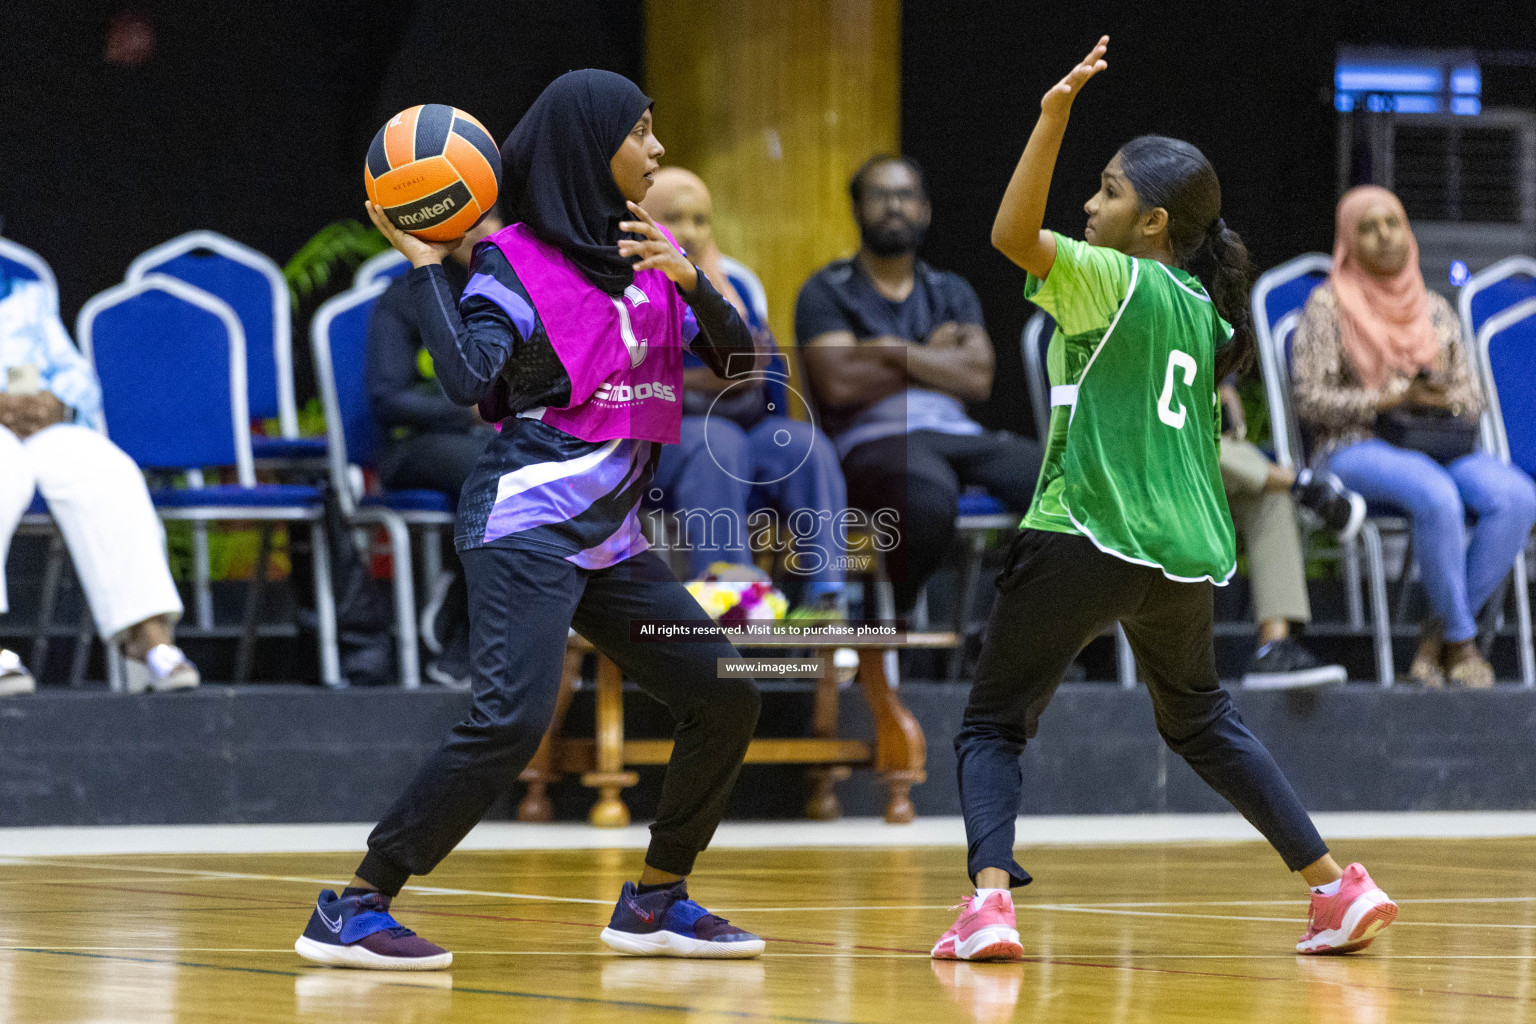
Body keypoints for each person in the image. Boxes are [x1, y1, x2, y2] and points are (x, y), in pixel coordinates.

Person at [932, 38, 1396, 963]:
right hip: (1181, 554)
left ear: (1150, 223)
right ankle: (1337, 886)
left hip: (1083, 529)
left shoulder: (1111, 276)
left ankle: (988, 905)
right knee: (1202, 720)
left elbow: (1009, 236)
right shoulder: (1205, 309)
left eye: (1105, 191)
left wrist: (1052, 118)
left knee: (991, 724)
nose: (1089, 203)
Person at [295, 70, 765, 970]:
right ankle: (354, 905)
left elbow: (742, 363)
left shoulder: (649, 245)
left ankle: (658, 899)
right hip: (528, 521)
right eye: (642, 132)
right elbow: (471, 381)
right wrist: (432, 265)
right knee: (513, 718)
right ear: (593, 146)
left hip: (611, 538)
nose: (658, 151)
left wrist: (694, 281)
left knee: (727, 693)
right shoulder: (511, 261)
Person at [1293, 185, 1536, 690]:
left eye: (1392, 223)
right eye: (1367, 227)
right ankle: (1464, 644)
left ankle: (1436, 636)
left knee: (1515, 497)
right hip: (1352, 446)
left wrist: (1438, 394)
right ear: (1347, 240)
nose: (1383, 236)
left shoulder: (1435, 309)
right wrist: (1383, 399)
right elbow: (1310, 398)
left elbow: (1473, 397)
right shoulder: (1327, 305)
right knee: (1436, 495)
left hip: (1438, 443)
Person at [796, 155, 1042, 613]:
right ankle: (905, 614)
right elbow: (839, 385)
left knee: (1060, 482)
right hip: (873, 441)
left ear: (925, 209)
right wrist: (931, 354)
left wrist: (889, 349)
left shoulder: (950, 290)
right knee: (926, 501)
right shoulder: (827, 291)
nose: (894, 206)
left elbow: (977, 377)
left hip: (959, 436)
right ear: (856, 209)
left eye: (905, 195)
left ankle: (1010, 634)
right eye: (879, 195)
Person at [641, 167, 848, 613]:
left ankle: (826, 599)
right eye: (674, 218)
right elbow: (626, 383)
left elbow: (764, 375)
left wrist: (738, 376)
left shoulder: (735, 283)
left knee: (803, 446)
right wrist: (716, 378)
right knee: (719, 441)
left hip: (742, 427)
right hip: (655, 446)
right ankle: (726, 606)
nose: (690, 233)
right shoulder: (627, 283)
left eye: (701, 220)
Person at [0, 270, 198, 696]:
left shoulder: (25, 297)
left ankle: (149, 636)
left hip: (35, 429)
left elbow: (76, 375)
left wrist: (59, 403)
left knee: (105, 468)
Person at [367, 210, 505, 688]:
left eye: (491, 218)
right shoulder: (408, 297)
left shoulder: (514, 290)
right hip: (416, 448)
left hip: (495, 442)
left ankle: (458, 604)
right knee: (492, 471)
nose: (484, 230)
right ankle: (466, 634)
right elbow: (387, 397)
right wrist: (467, 410)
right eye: (469, 221)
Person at [1218, 382, 1357, 689]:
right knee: (1190, 443)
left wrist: (1219, 391)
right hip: (1134, 470)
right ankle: (1300, 485)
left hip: (1194, 481)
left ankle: (1273, 649)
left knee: (1271, 497)